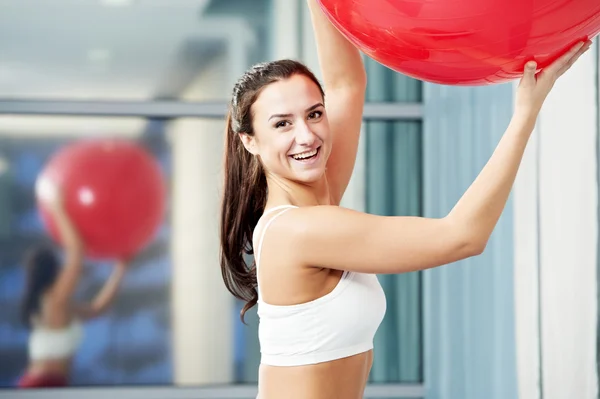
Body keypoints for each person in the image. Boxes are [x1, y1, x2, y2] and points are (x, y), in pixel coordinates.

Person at [219, 0, 593, 397]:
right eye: (282, 124)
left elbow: (347, 83)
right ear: (250, 141)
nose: (307, 136)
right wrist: (526, 112)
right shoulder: (298, 229)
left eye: (314, 113)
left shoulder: (314, 196)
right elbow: (463, 236)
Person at [18, 184, 129, 388]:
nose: (65, 271)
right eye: (60, 267)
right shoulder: (54, 300)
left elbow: (97, 309)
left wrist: (120, 269)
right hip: (43, 384)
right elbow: (77, 251)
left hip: (52, 383)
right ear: (52, 271)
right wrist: (58, 209)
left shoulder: (59, 305)